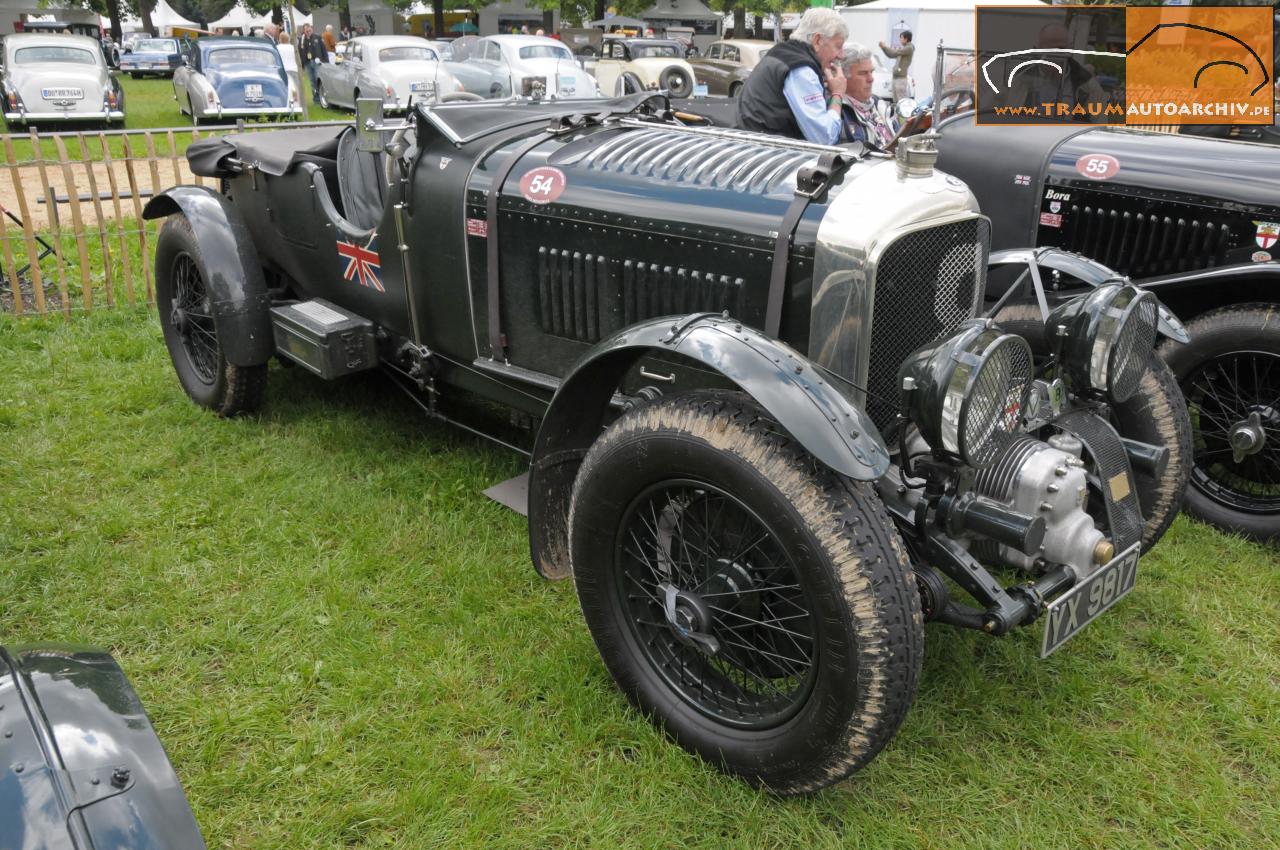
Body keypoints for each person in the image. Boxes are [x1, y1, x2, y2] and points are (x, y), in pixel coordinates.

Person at [735, 8, 847, 144]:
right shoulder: (801, 70)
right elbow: (825, 137)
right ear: (817, 40)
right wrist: (837, 95)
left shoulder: (782, 53)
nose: (841, 55)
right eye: (838, 46)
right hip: (772, 154)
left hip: (756, 147)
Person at [1000, 22, 1107, 122]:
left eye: (1061, 49)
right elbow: (989, 112)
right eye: (1049, 50)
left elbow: (1100, 126)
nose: (1056, 56)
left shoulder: (1087, 85)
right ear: (1036, 51)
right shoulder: (1018, 79)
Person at [838, 45, 897, 147]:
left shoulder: (879, 104)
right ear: (843, 77)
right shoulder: (838, 111)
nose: (871, 79)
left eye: (871, 72)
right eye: (863, 73)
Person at [878, 30, 913, 102]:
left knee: (901, 101)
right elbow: (891, 55)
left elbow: (894, 53)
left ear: (906, 39)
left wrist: (884, 47)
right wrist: (883, 48)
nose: (900, 40)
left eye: (901, 38)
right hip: (896, 77)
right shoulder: (904, 49)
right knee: (895, 102)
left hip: (901, 79)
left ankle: (902, 114)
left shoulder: (909, 48)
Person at [299, 23, 328, 103]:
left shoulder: (317, 37)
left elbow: (323, 49)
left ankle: (321, 96)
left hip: (317, 62)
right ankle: (315, 98)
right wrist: (301, 65)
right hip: (307, 63)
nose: (308, 31)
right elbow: (300, 51)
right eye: (306, 30)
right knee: (312, 80)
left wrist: (325, 61)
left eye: (309, 30)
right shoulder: (302, 39)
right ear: (304, 30)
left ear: (312, 29)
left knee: (317, 78)